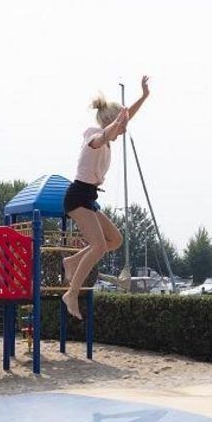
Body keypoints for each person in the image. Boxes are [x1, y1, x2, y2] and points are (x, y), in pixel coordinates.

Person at [60, 75, 151, 320]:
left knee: (115, 239)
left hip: (88, 197)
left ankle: (72, 261)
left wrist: (144, 96)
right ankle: (71, 293)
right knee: (99, 246)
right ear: (112, 123)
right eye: (122, 126)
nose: (124, 130)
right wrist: (115, 124)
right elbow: (105, 135)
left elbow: (123, 119)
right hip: (77, 196)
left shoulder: (109, 138)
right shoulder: (94, 136)